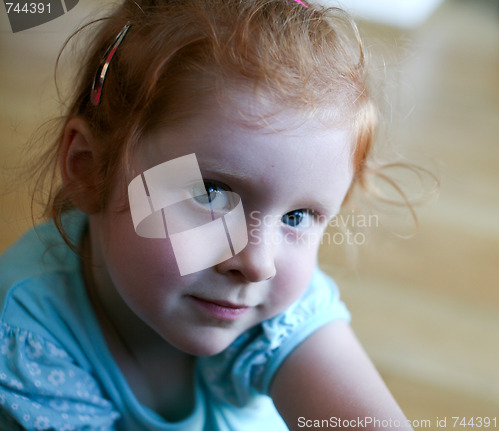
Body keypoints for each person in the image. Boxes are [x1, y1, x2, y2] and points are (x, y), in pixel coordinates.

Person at [0, 0, 414, 429]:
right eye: (211, 193)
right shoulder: (28, 336)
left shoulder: (271, 310)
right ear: (89, 169)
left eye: (297, 217)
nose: (257, 263)